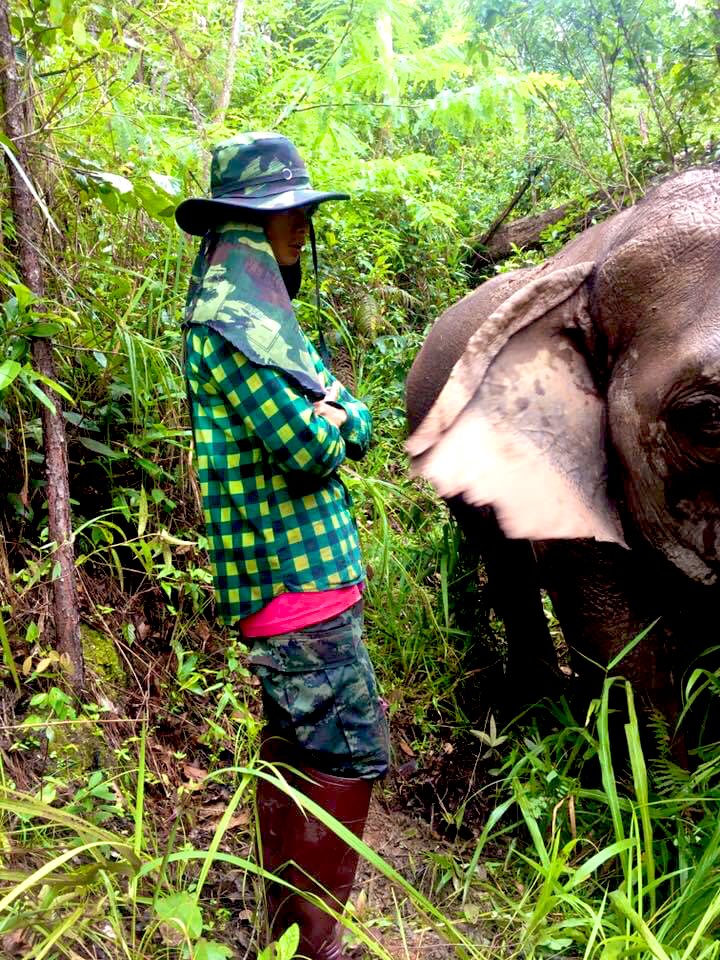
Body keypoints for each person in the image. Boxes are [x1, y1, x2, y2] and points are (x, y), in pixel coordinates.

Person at [175, 132, 389, 959]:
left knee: (298, 753)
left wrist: (337, 419)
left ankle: (285, 935)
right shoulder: (236, 325)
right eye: (290, 215)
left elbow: (356, 417)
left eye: (300, 212)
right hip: (292, 591)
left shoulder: (269, 320)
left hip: (306, 587)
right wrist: (335, 423)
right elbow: (312, 447)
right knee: (347, 752)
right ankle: (316, 947)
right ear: (251, 226)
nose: (302, 226)